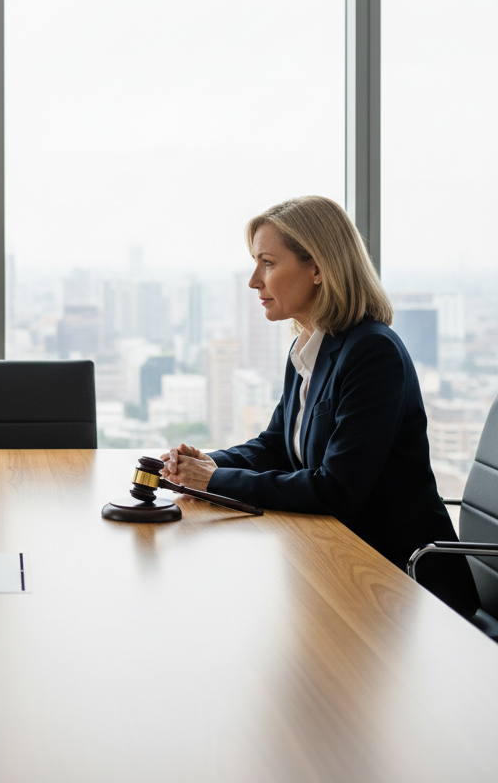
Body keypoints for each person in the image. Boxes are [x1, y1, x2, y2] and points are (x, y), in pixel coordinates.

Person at [161, 195, 479, 617]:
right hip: (340, 561)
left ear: (318, 268)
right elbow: (277, 445)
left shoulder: (372, 353)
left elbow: (336, 490)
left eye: (268, 263)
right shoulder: (310, 346)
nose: (255, 281)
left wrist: (214, 481)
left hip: (402, 585)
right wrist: (206, 464)